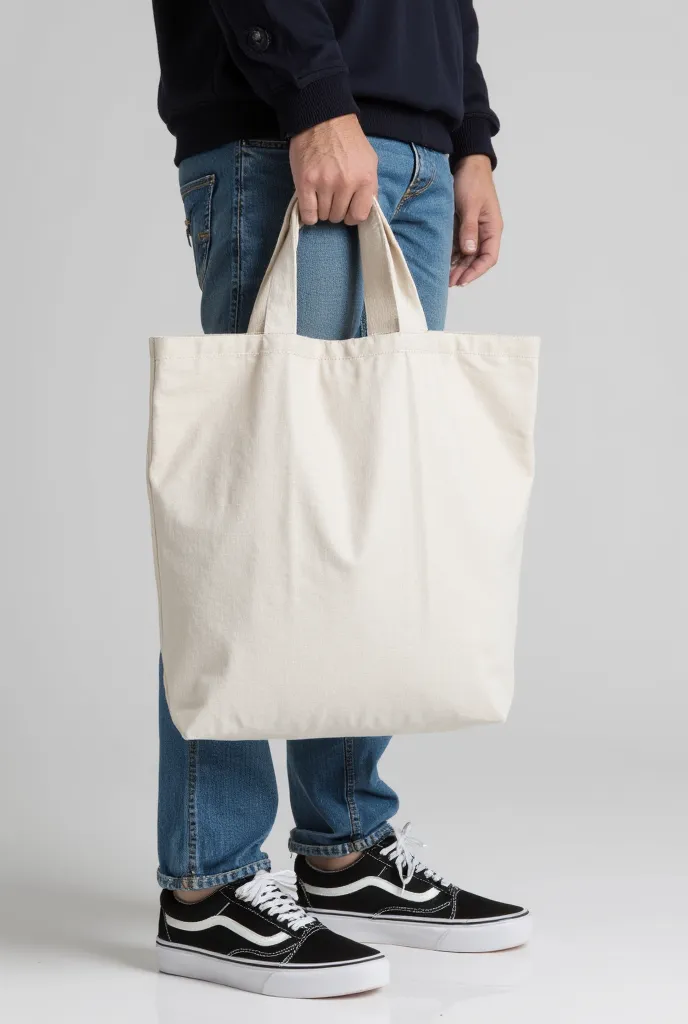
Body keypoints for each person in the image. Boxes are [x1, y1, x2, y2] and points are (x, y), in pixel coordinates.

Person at [151, 0, 531, 999]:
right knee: (253, 517)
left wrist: (471, 136)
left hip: (414, 149)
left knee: (371, 514)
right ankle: (209, 879)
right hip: (289, 130)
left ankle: (345, 843)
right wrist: (315, 94)